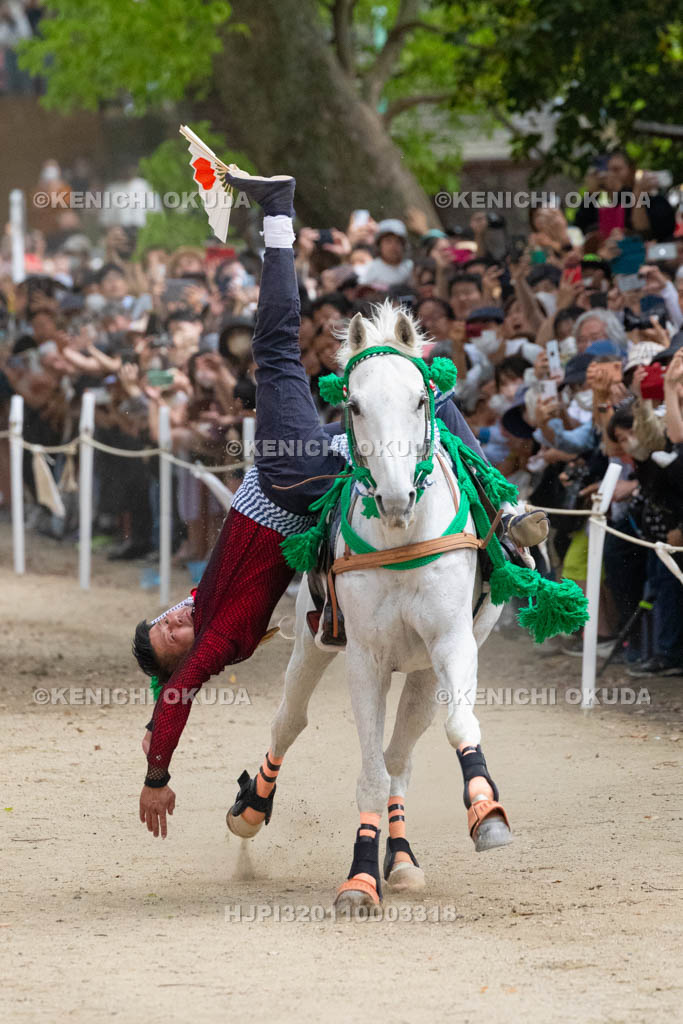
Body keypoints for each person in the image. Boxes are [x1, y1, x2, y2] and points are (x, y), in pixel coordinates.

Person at [131, 173, 549, 839]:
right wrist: (156, 775)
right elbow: (173, 698)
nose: (177, 624)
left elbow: (164, 689)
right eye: (171, 641)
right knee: (278, 353)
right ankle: (277, 210)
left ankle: (497, 507)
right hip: (288, 483)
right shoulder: (220, 638)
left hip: (295, 470)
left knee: (417, 402)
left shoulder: (199, 600)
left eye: (164, 622)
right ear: (185, 657)